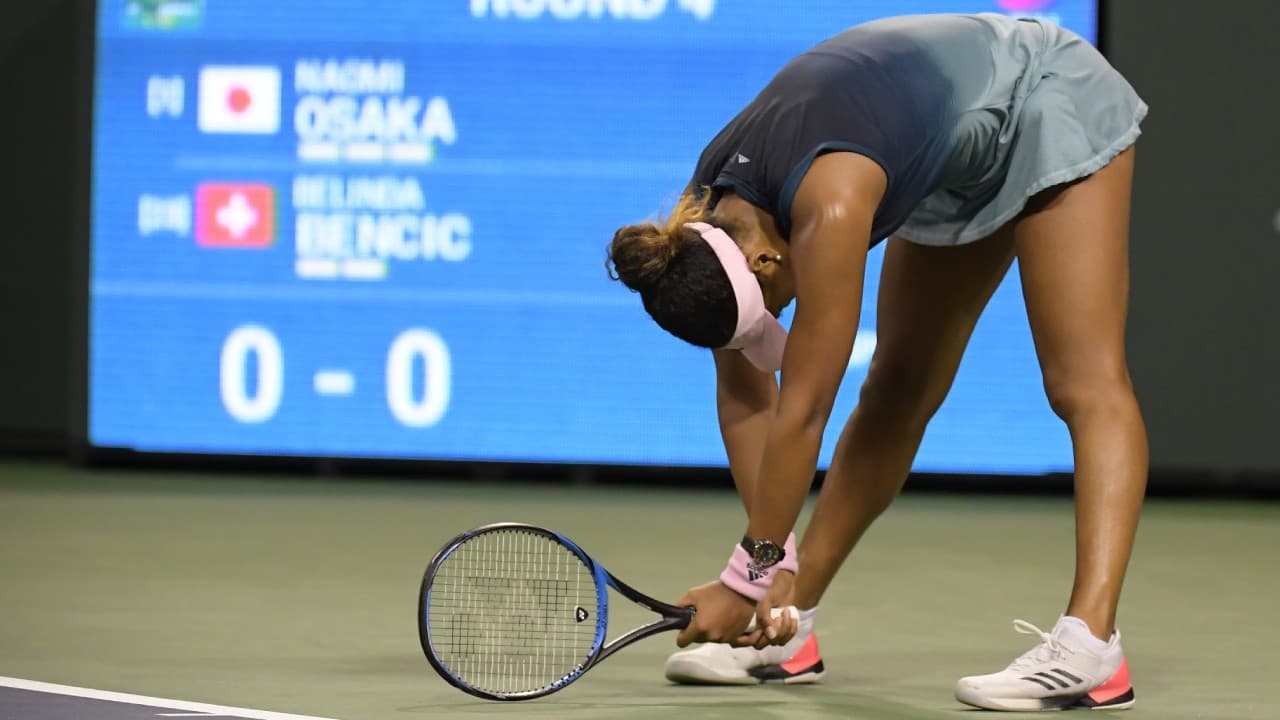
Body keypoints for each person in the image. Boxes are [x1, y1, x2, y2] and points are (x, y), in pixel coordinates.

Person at [604, 12, 1147, 712]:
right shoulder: (705, 226)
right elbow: (747, 398)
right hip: (952, 145)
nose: (769, 328)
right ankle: (793, 630)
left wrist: (746, 575)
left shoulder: (828, 207)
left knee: (1083, 382)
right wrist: (772, 573)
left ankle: (1093, 646)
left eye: (767, 315)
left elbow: (803, 410)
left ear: (768, 260)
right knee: (896, 390)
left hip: (1046, 94)